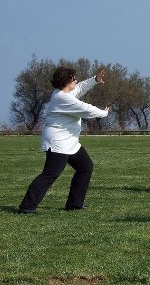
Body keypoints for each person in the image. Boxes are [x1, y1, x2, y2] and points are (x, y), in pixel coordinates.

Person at [18, 67, 109, 213]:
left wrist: (94, 80)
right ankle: (27, 206)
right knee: (50, 174)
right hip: (58, 142)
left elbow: (79, 88)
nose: (76, 80)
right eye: (74, 78)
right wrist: (103, 113)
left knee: (85, 167)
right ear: (67, 81)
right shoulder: (62, 98)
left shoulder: (64, 93)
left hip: (70, 142)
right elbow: (85, 109)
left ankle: (74, 203)